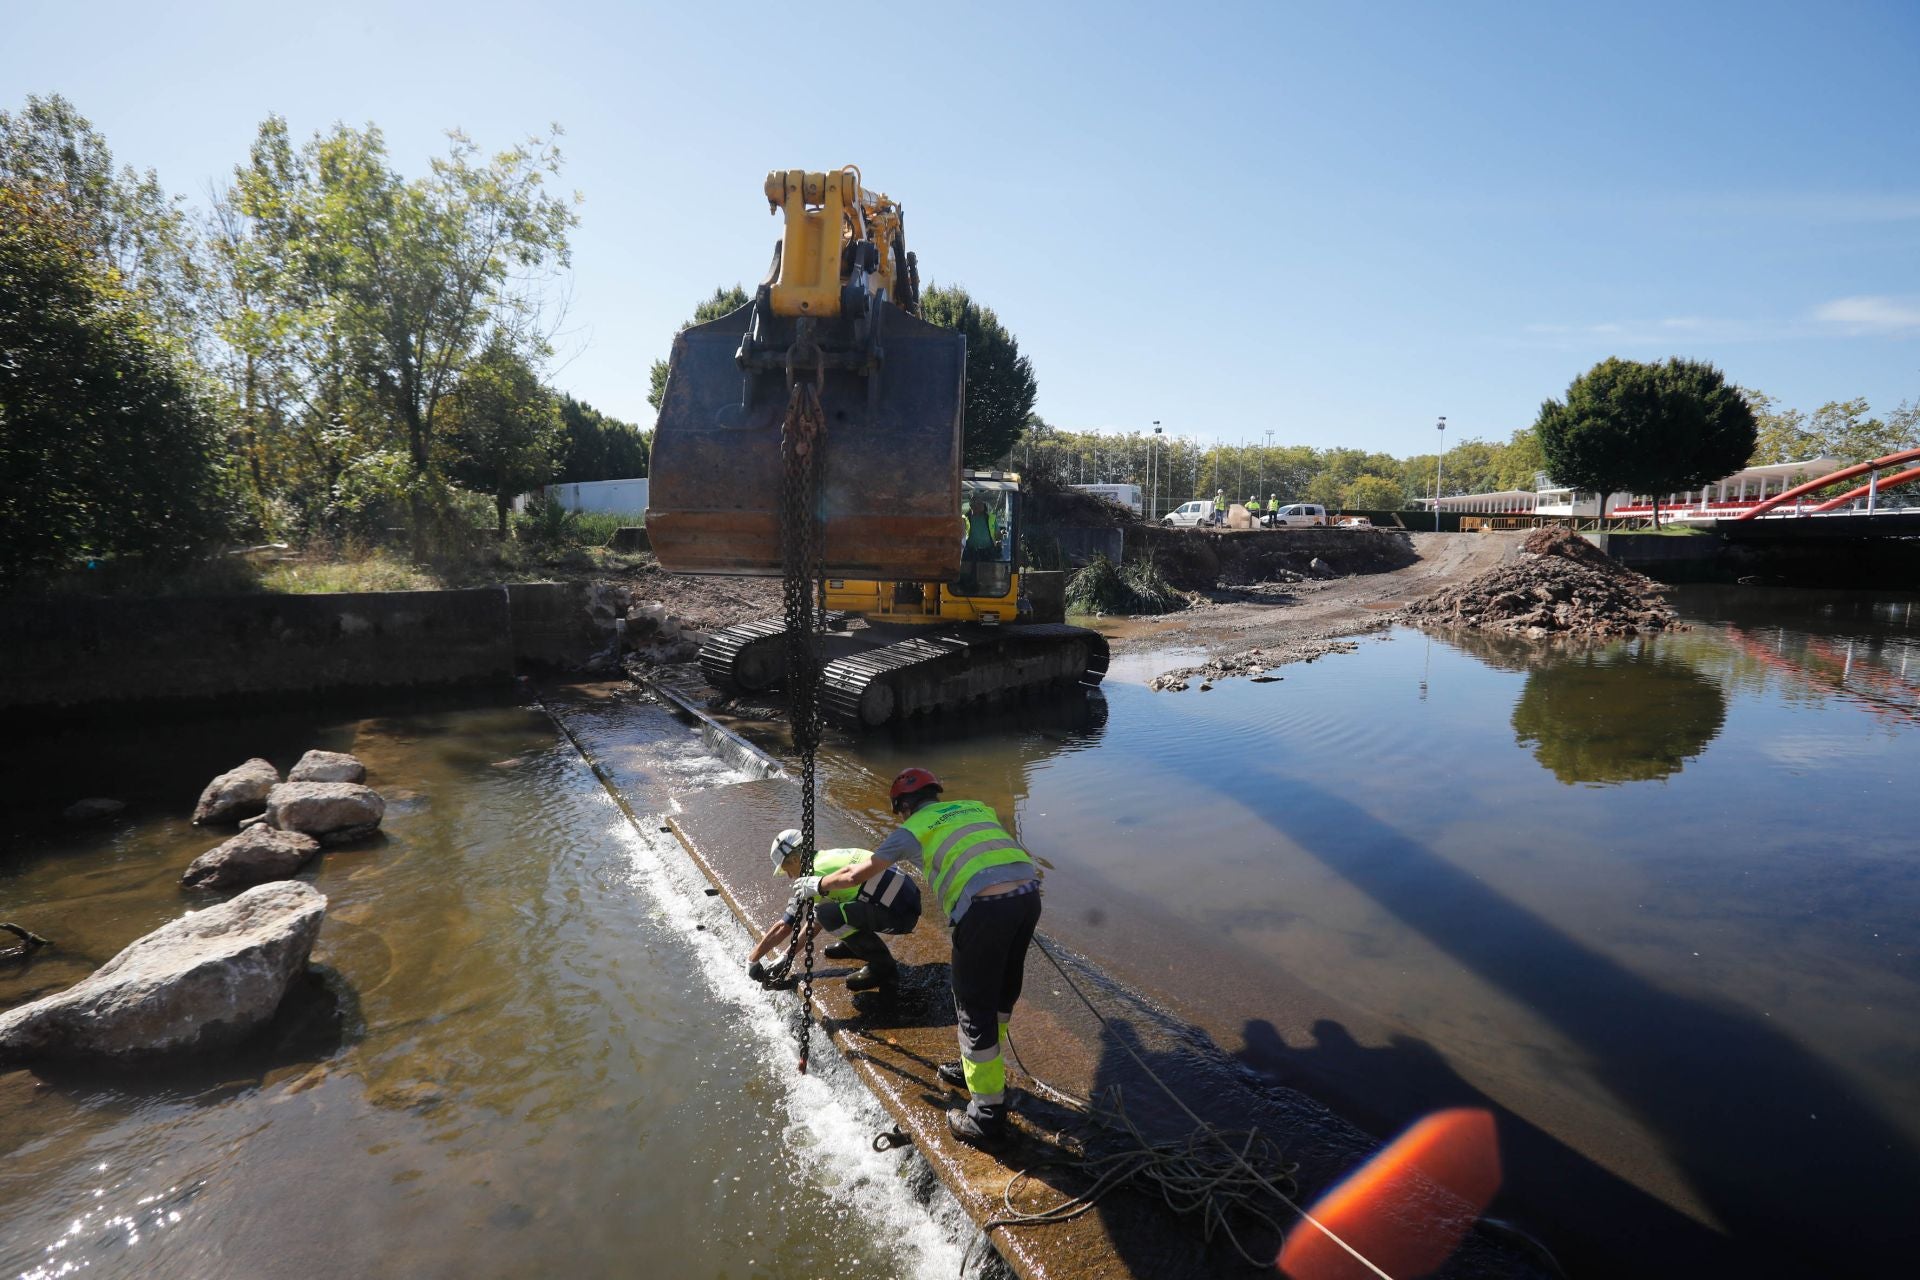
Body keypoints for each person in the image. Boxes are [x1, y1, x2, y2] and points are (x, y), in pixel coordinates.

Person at [823, 768, 1041, 1147]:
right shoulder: (975, 807)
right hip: (1027, 897)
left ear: (903, 807)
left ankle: (987, 1116)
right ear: (935, 793)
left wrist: (820, 884)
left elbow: (858, 874)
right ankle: (980, 1072)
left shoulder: (911, 829)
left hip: (985, 908)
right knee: (1003, 990)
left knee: (973, 1007)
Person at [746, 828, 920, 993]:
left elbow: (785, 926)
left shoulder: (815, 873)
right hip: (906, 900)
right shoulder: (825, 858)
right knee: (828, 910)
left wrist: (752, 960)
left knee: (827, 914)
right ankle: (855, 945)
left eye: (787, 870)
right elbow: (815, 921)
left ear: (794, 860)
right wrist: (787, 956)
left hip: (901, 915)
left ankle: (883, 966)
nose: (790, 876)